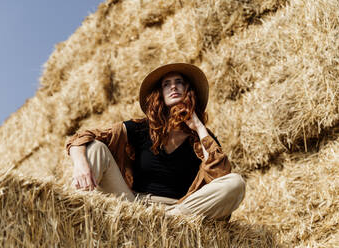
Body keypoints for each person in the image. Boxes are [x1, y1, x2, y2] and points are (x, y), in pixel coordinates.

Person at [66, 63, 245, 220]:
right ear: (160, 94)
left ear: (189, 90)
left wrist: (198, 126)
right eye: (166, 84)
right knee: (94, 147)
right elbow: (81, 138)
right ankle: (74, 213)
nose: (173, 87)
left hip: (180, 210)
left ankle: (167, 222)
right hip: (132, 205)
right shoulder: (140, 128)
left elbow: (221, 175)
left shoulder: (202, 137)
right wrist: (80, 165)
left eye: (179, 82)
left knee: (236, 183)